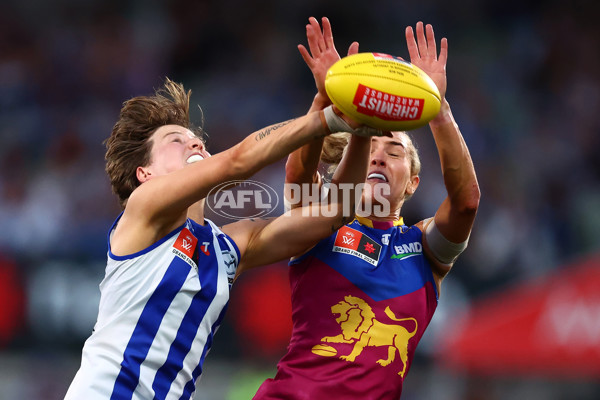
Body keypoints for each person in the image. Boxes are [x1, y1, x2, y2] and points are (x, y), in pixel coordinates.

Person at [63, 76, 381, 400]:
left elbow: (337, 211)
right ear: (145, 174)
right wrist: (325, 119)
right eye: (176, 140)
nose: (196, 143)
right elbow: (237, 161)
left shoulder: (229, 247)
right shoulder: (143, 211)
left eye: (197, 139)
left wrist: (362, 131)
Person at [253, 18, 480, 399]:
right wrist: (326, 101)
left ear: (412, 183)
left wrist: (438, 108)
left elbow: (467, 203)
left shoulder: (424, 250)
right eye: (370, 148)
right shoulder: (321, 225)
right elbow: (298, 174)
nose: (378, 159)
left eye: (394, 152)